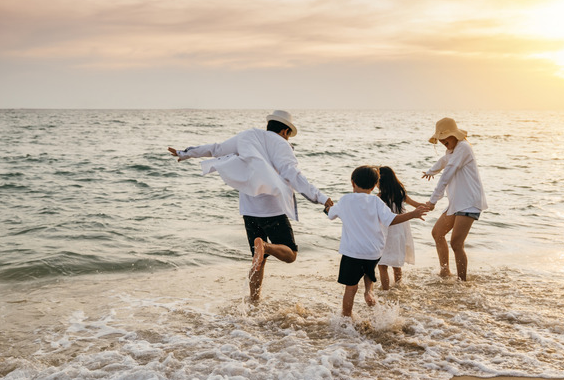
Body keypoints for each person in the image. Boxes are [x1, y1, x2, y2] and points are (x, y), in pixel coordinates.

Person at [167, 110, 333, 301]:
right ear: (285, 131)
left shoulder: (246, 136)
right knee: (291, 254)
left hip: (248, 210)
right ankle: (267, 247)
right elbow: (294, 175)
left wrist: (185, 153)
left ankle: (254, 303)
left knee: (258, 260)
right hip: (273, 210)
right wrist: (320, 198)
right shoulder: (283, 144)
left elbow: (216, 148)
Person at [327, 166, 428, 317]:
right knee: (369, 271)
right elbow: (392, 219)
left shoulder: (345, 200)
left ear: (352, 182)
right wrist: (413, 214)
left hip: (352, 252)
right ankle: (369, 292)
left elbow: (331, 214)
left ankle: (346, 317)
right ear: (374, 186)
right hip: (373, 252)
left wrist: (328, 207)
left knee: (351, 288)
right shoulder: (376, 201)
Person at [422, 117, 488, 281]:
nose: (442, 140)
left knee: (456, 243)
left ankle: (462, 282)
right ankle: (445, 273)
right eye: (440, 138)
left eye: (445, 137)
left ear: (454, 135)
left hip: (469, 202)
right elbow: (445, 161)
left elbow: (449, 171)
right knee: (437, 233)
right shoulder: (451, 151)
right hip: (457, 202)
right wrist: (431, 171)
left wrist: (433, 200)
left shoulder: (464, 147)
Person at [377, 166, 425, 290]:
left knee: (382, 265)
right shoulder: (401, 194)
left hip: (386, 232)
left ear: (381, 181)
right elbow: (417, 204)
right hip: (399, 231)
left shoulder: (379, 197)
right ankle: (398, 287)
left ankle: (385, 290)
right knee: (396, 263)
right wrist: (429, 205)